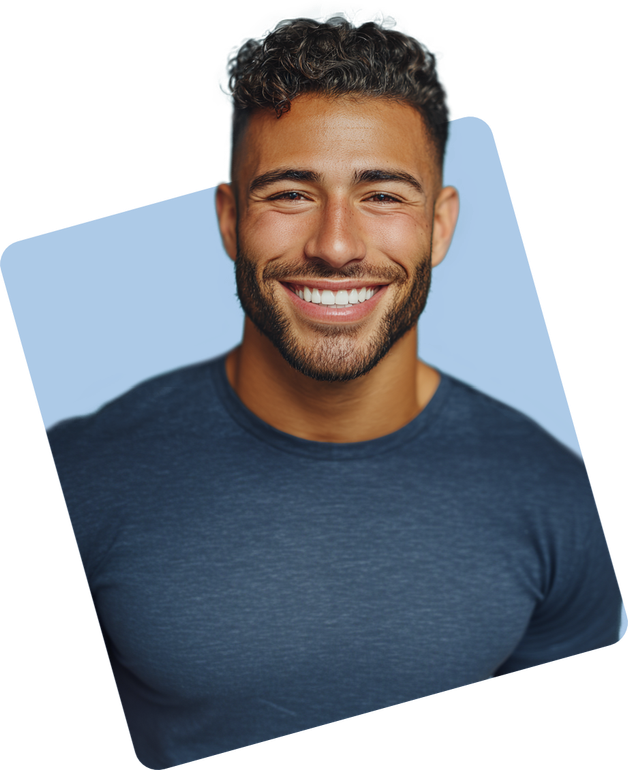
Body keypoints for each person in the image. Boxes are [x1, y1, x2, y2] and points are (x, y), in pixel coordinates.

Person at [44, 11, 622, 770]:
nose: (336, 246)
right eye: (290, 193)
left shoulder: (561, 499)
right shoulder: (78, 474)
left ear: (440, 226)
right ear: (229, 220)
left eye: (383, 196)